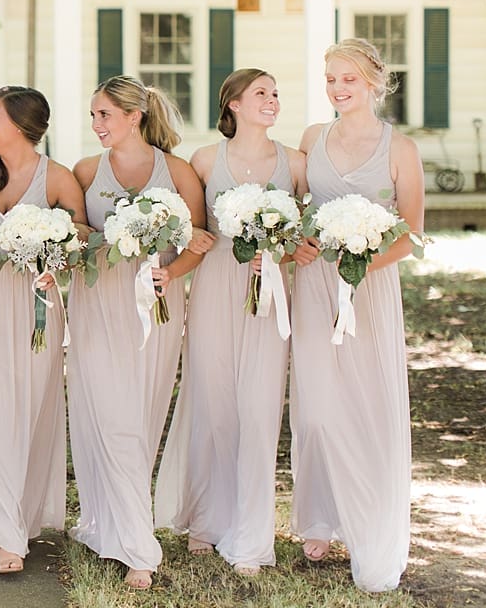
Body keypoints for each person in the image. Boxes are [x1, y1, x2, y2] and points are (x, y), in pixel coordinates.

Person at [153, 69, 306, 575]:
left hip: (270, 295)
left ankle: (251, 534)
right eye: (262, 92)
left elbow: (306, 235)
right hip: (217, 287)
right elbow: (192, 228)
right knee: (214, 402)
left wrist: (279, 254)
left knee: (259, 409)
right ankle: (208, 519)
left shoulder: (295, 163)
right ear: (234, 103)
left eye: (276, 93)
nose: (273, 100)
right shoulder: (203, 160)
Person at [289, 39, 423, 592]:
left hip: (368, 289)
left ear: (372, 82)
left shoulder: (401, 148)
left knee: (367, 408)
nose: (337, 89)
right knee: (317, 409)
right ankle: (319, 516)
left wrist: (363, 264)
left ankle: (367, 522)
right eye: (329, 79)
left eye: (347, 79)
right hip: (316, 285)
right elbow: (295, 211)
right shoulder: (311, 140)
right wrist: (296, 241)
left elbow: (411, 235)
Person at [66, 75, 206, 590]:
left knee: (140, 419)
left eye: (104, 115)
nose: (97, 125)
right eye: (93, 116)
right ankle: (138, 547)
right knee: (108, 416)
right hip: (97, 307)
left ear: (134, 117)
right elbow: (77, 234)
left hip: (157, 310)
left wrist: (172, 271)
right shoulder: (85, 171)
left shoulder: (179, 173)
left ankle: (117, 523)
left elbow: (198, 240)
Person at [0, 86, 86, 575]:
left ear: (25, 126)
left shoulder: (58, 178)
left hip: (33, 306)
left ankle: (14, 522)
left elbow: (81, 238)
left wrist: (56, 255)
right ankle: (1, 525)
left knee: (25, 408)